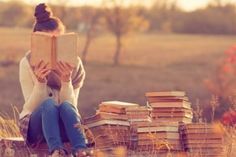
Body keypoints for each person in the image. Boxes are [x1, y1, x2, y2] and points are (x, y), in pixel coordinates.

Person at [18, 3, 90, 157]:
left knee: (65, 106)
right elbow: (31, 107)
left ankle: (81, 150)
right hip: (36, 126)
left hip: (64, 125)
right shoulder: (27, 63)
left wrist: (66, 81)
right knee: (49, 104)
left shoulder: (75, 64)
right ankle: (56, 151)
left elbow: (71, 107)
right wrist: (40, 83)